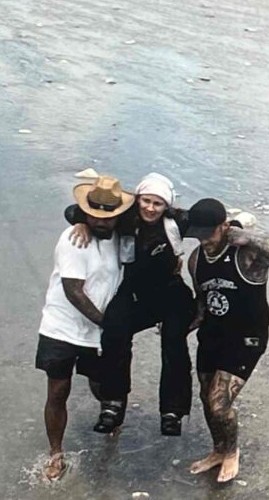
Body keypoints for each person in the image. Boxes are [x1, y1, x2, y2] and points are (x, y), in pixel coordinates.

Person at [66, 173, 196, 436]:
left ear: (166, 206)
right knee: (114, 331)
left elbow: (210, 219)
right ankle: (113, 403)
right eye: (146, 201)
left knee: (173, 341)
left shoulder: (177, 221)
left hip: (171, 293)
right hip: (135, 293)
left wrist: (234, 226)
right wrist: (81, 222)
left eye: (157, 204)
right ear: (137, 199)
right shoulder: (125, 218)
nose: (150, 208)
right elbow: (73, 211)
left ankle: (172, 411)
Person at [185, 198, 269, 483]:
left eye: (209, 234)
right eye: (198, 235)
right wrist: (178, 328)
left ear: (224, 227)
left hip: (246, 339)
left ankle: (232, 452)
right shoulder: (196, 260)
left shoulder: (247, 254)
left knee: (219, 403)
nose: (204, 241)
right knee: (205, 396)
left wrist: (250, 236)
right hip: (213, 336)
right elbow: (202, 306)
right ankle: (218, 450)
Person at [35, 175, 132, 480]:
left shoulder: (122, 235)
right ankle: (56, 452)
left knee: (103, 386)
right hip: (61, 327)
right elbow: (74, 291)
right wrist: (111, 326)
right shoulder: (74, 239)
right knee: (58, 390)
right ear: (85, 212)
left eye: (108, 217)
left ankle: (113, 424)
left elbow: (161, 212)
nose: (100, 223)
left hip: (97, 332)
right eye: (93, 216)